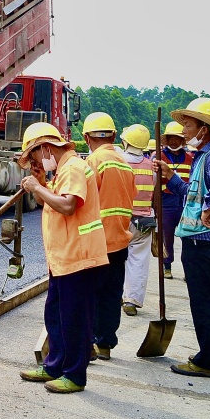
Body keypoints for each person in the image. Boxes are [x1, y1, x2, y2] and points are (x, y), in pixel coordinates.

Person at [154, 97, 210, 378]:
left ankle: (206, 362)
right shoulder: (204, 157)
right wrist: (171, 177)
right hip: (206, 242)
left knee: (205, 302)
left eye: (189, 125)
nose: (184, 131)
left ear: (204, 128)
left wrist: (208, 208)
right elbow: (190, 196)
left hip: (203, 241)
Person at [17, 122, 108, 394]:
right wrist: (43, 183)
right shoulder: (61, 170)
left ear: (44, 148)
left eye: (34, 156)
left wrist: (36, 187)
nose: (34, 162)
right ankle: (54, 365)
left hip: (78, 257)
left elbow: (68, 205)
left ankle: (75, 375)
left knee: (75, 319)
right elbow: (55, 203)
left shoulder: (72, 168)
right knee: (56, 314)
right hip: (64, 257)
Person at [82, 112, 135, 360]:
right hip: (120, 238)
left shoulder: (92, 162)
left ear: (86, 137)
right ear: (114, 136)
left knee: (91, 293)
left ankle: (90, 342)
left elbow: (81, 200)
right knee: (112, 294)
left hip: (97, 239)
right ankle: (105, 344)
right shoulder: (124, 163)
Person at [119, 124, 157, 316]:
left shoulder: (118, 162)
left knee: (116, 259)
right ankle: (131, 301)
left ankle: (116, 293)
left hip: (120, 218)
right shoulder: (152, 166)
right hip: (144, 221)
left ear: (126, 142)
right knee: (139, 261)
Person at [158, 120, 193, 278]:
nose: (173, 141)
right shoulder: (159, 156)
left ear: (182, 140)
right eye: (171, 138)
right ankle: (167, 266)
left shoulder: (190, 158)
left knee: (188, 236)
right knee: (167, 237)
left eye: (177, 138)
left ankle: (188, 269)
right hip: (166, 201)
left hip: (185, 201)